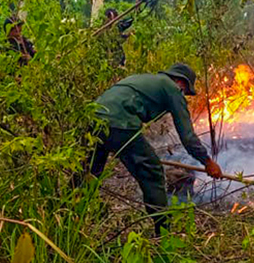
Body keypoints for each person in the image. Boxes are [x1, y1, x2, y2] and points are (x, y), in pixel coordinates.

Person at [77, 63, 223, 236]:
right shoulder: (172, 89)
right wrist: (207, 161)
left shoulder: (145, 79)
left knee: (88, 173)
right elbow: (187, 136)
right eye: (185, 90)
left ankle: (66, 216)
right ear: (180, 83)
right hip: (119, 123)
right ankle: (163, 233)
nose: (183, 93)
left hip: (93, 118)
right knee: (152, 171)